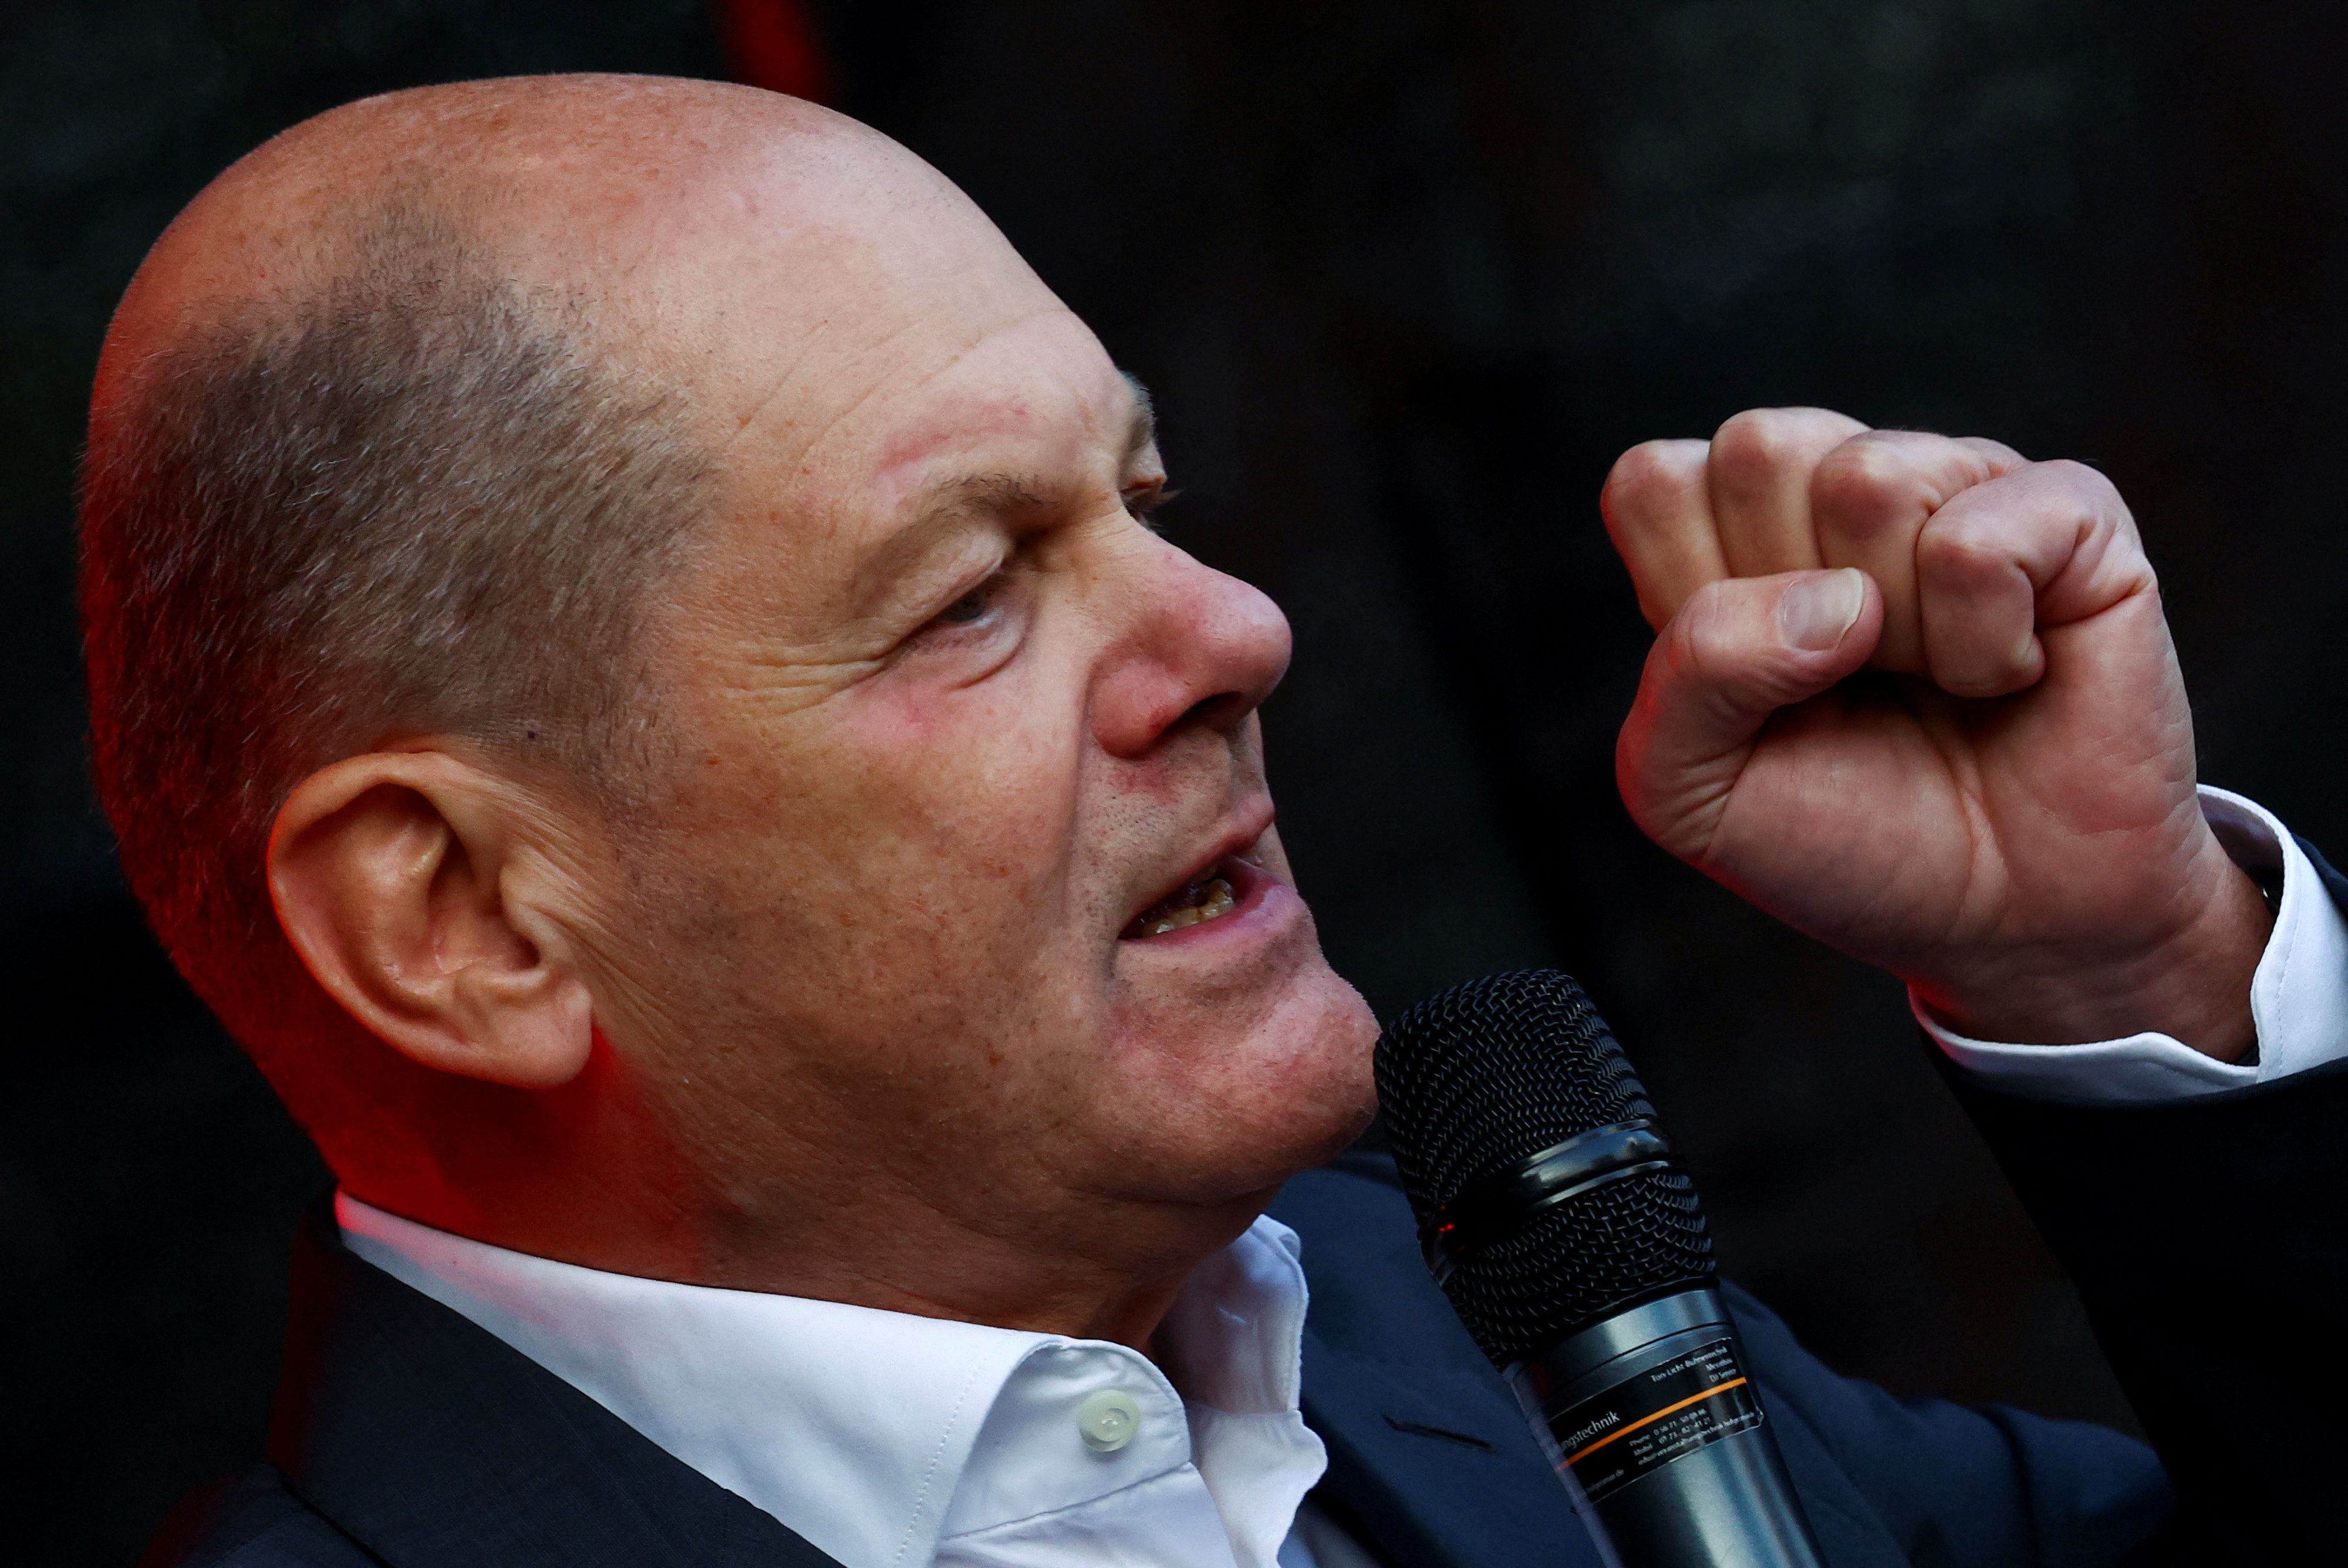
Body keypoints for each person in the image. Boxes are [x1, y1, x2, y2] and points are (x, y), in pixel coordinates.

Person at [83, 76, 2335, 1568]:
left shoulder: (1446, 1313)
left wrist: (2124, 971)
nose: (1240, 628)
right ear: (466, 919)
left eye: (1145, 503)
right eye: (970, 595)